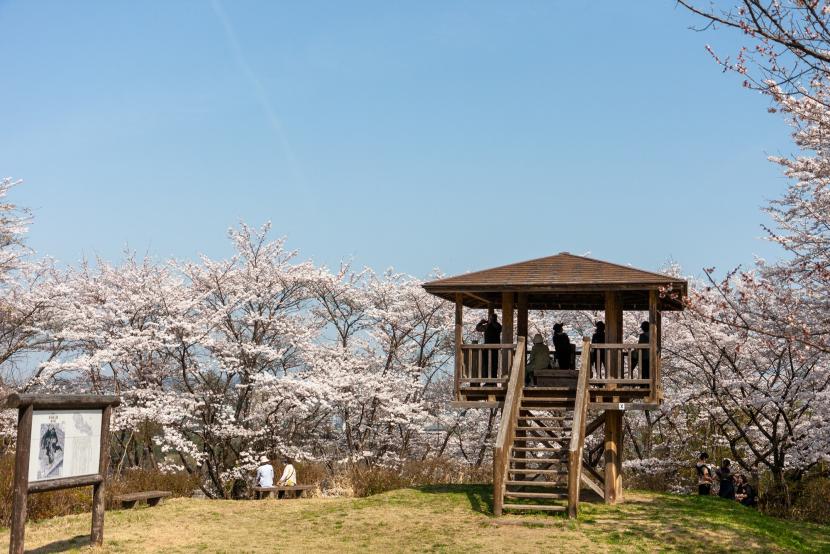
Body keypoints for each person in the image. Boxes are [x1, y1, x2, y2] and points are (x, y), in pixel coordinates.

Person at [475, 313, 502, 379]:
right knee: (489, 364)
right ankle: (489, 379)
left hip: (493, 348)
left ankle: (491, 379)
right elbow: (478, 328)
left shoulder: (494, 325)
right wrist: (482, 322)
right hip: (490, 348)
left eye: (491, 318)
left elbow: (478, 328)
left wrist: (482, 322)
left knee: (492, 364)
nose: (490, 319)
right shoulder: (492, 325)